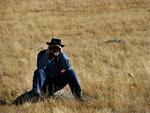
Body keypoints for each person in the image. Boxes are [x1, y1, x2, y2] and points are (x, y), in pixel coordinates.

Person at [13, 38, 82, 105]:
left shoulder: (62, 56)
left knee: (71, 72)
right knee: (39, 71)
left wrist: (61, 53)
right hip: (43, 84)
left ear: (60, 48)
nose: (54, 49)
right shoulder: (42, 54)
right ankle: (36, 92)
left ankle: (78, 96)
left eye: (57, 48)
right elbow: (40, 66)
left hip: (56, 83)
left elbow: (68, 67)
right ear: (48, 46)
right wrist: (47, 52)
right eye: (52, 47)